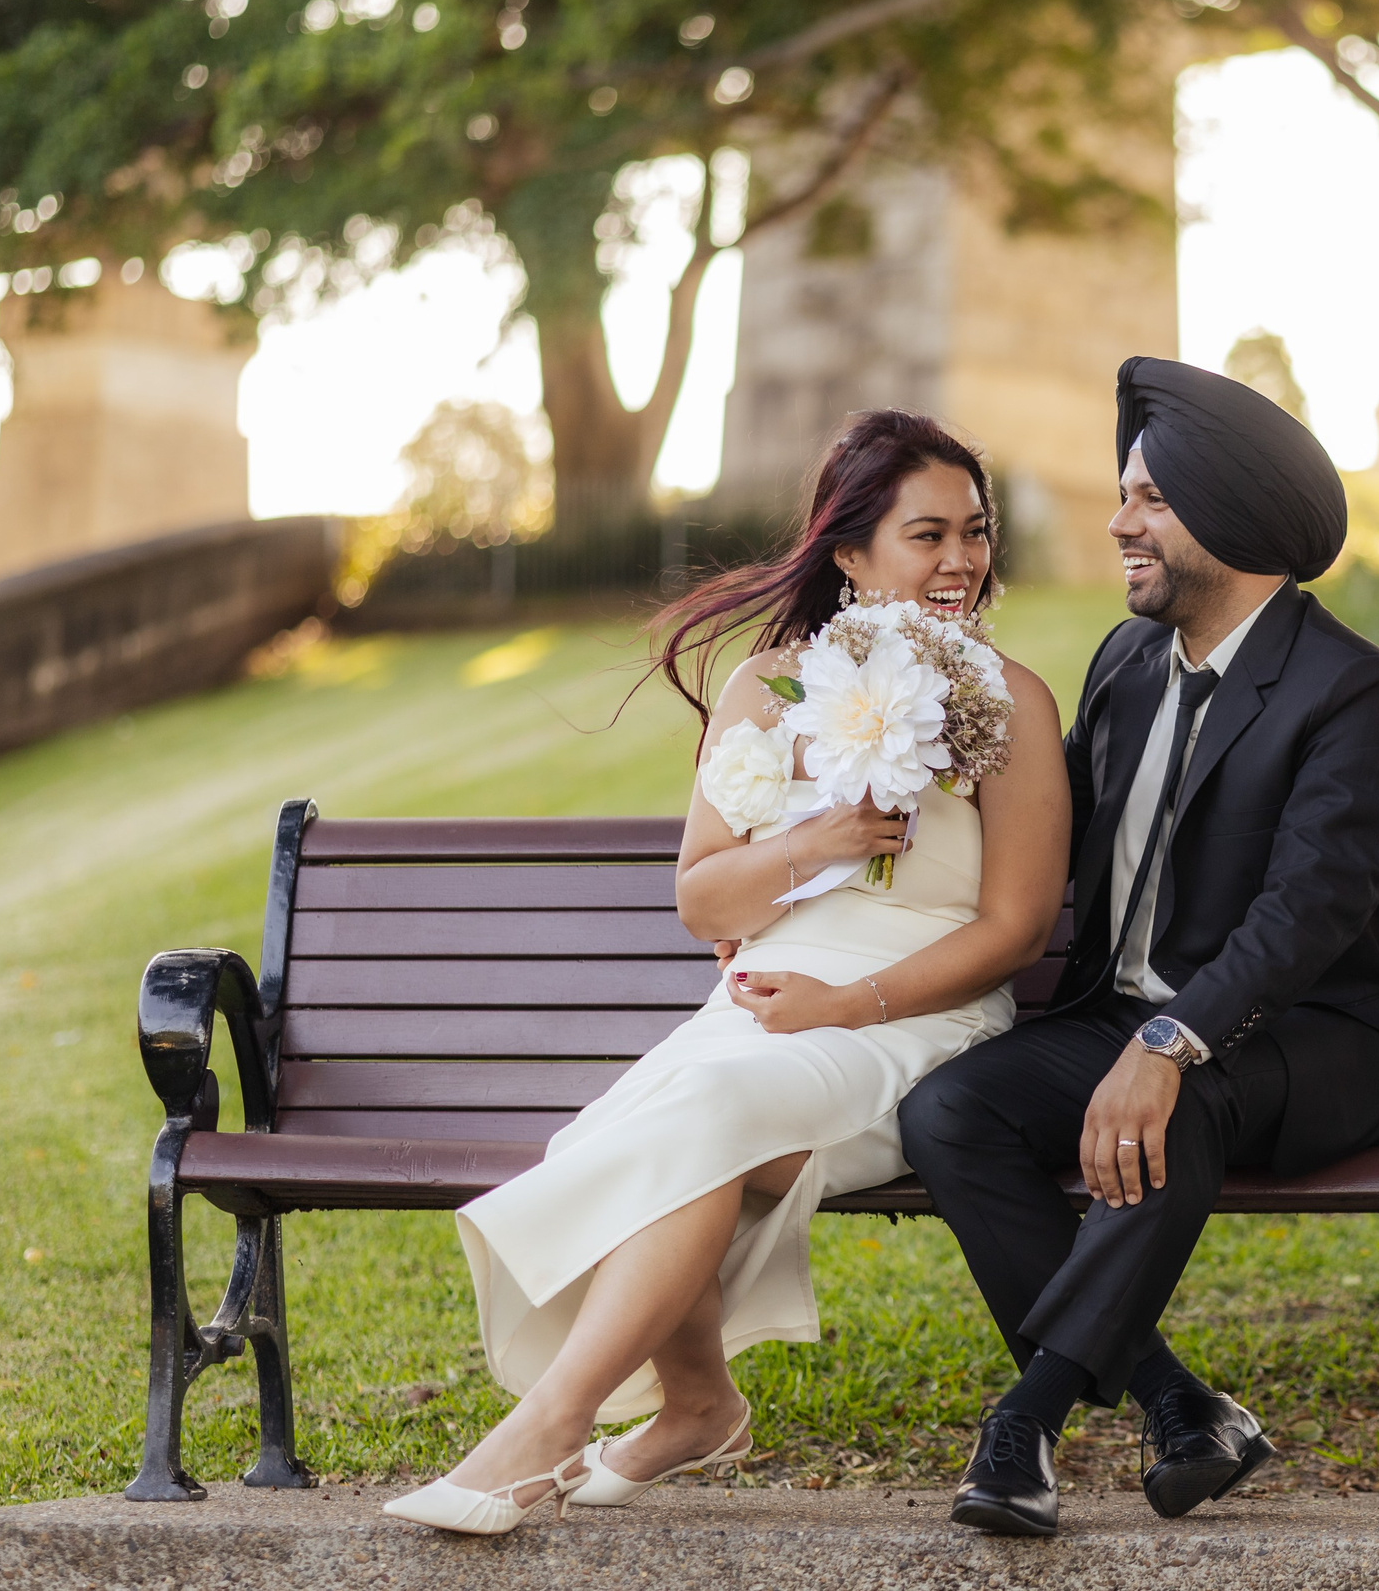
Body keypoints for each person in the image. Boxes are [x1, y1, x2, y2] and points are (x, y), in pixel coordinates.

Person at [383, 411, 1069, 1535]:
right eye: (929, 534)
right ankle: (697, 1405)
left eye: (975, 532)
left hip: (917, 1021)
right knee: (678, 1114)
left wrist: (848, 1003)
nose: (961, 559)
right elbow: (703, 898)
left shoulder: (1010, 701)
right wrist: (820, 841)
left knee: (691, 1115)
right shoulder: (766, 687)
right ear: (850, 554)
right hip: (755, 1015)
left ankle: (550, 1429)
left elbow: (1017, 927)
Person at [897, 357, 1379, 1537]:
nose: (1118, 523)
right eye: (1123, 495)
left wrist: (1170, 1040)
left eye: (1148, 499)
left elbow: (1309, 911)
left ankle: (1025, 1425)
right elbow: (1043, 836)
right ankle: (1180, 1406)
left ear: (1227, 518)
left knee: (1170, 1104)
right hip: (1127, 1016)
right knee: (949, 1111)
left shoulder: (1354, 693)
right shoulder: (1126, 665)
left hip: (1309, 1040)